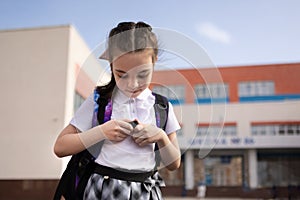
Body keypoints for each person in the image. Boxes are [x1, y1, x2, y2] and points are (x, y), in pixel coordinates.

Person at [54, 21, 181, 200]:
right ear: (111, 64)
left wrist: (160, 136)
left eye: (142, 74)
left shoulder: (161, 106)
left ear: (154, 61)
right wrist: (102, 132)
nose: (133, 84)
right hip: (102, 188)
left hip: (145, 191)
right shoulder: (100, 100)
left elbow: (174, 163)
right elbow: (60, 147)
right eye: (121, 74)